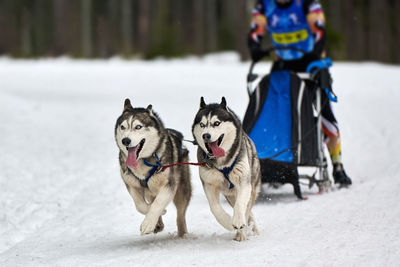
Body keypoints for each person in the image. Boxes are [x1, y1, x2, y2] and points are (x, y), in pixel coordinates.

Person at [248, 0, 352, 186]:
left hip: (312, 62)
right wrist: (254, 47)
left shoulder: (308, 3)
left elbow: (319, 31)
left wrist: (317, 52)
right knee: (276, 112)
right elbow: (256, 30)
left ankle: (337, 166)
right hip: (283, 64)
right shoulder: (264, 5)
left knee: (324, 114)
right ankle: (277, 162)